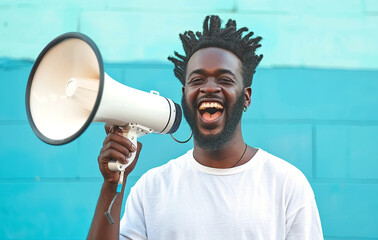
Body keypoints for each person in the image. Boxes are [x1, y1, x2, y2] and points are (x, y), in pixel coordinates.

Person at [87, 15, 323, 240]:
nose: (209, 88)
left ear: (246, 97)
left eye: (225, 80)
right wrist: (112, 183)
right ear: (184, 95)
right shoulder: (152, 188)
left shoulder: (286, 184)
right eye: (197, 80)